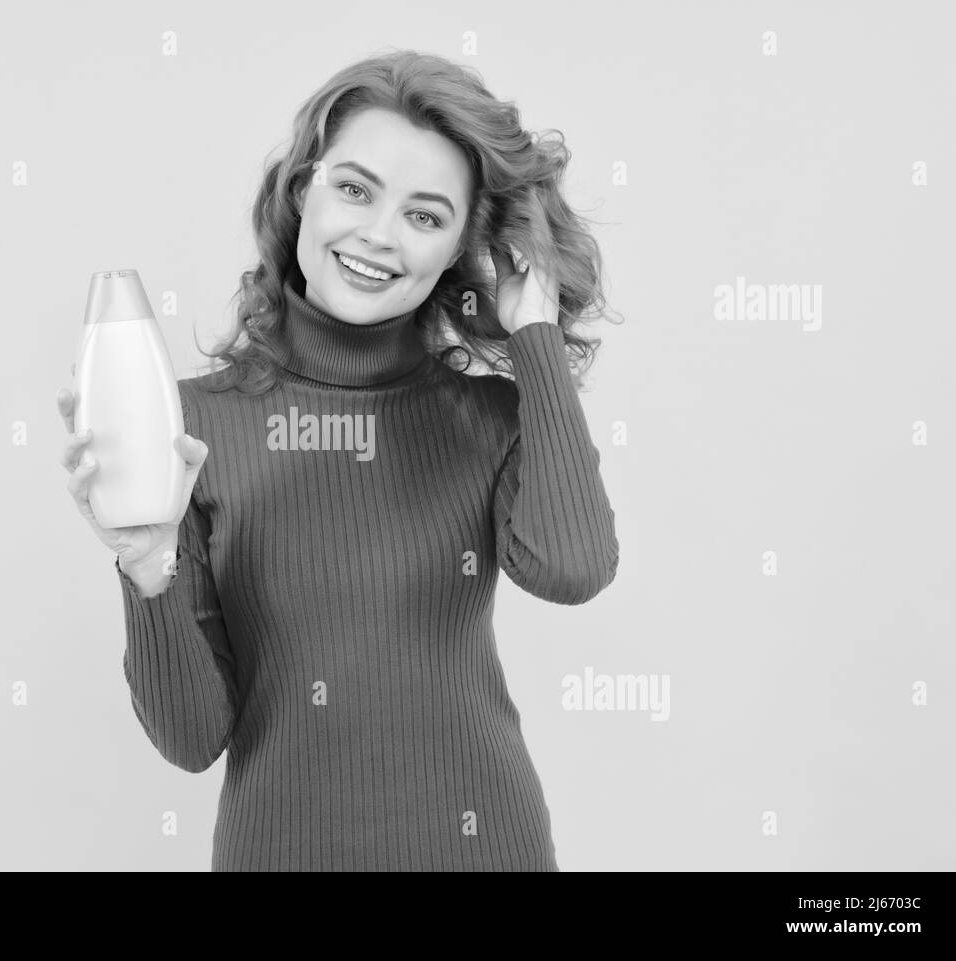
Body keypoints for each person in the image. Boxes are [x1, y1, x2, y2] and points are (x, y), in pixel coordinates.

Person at [57, 49, 620, 871]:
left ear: (464, 247)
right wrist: (147, 568)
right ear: (301, 191)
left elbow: (573, 568)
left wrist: (532, 330)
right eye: (355, 189)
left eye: (426, 216)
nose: (377, 236)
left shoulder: (487, 419)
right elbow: (190, 738)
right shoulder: (189, 425)